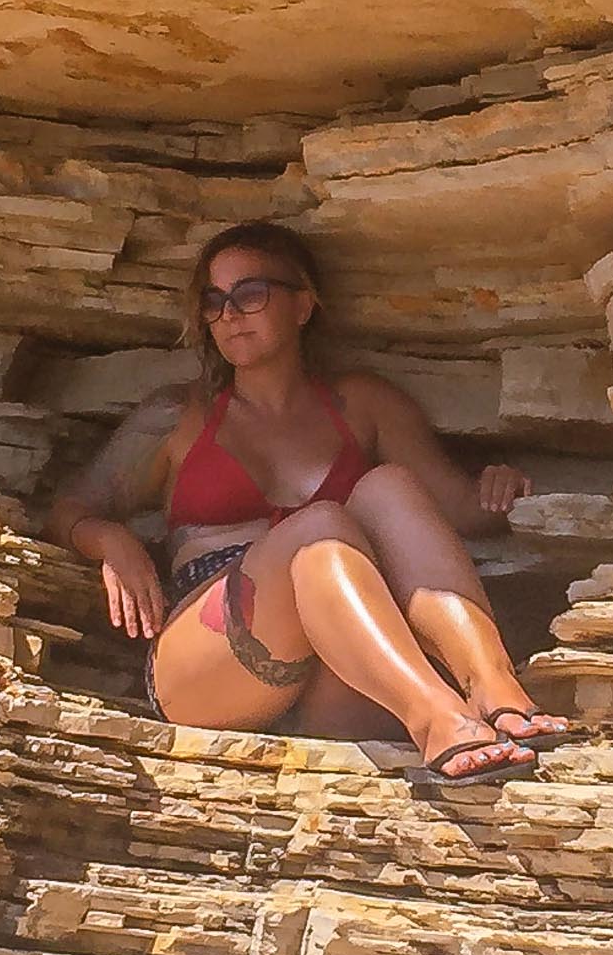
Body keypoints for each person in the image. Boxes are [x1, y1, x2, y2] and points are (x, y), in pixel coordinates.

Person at [49, 223, 573, 783]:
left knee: (388, 486)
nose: (230, 314)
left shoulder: (363, 404)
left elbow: (457, 511)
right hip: (211, 665)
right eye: (213, 301)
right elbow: (66, 509)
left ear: (303, 305)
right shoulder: (178, 416)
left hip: (344, 678)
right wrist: (111, 539)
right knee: (321, 526)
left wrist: (499, 486)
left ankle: (496, 689)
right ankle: (438, 716)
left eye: (250, 294)